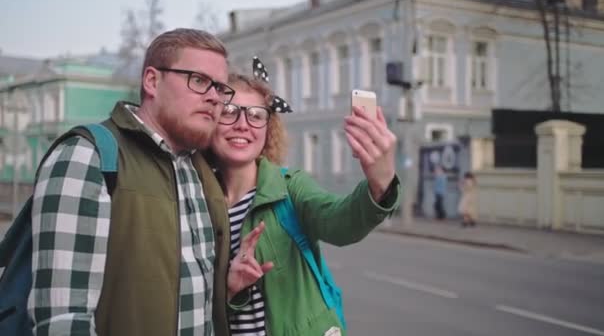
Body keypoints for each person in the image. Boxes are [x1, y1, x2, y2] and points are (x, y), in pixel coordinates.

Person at [28, 28, 236, 336]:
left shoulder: (199, 169)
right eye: (199, 80)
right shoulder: (87, 156)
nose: (214, 97)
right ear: (152, 81)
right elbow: (62, 319)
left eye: (220, 87)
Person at [208, 58, 401, 336]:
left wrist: (379, 183)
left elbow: (341, 222)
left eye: (256, 115)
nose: (242, 124)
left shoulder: (290, 187)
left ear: (267, 128)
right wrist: (229, 289)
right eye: (229, 112)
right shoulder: (197, 199)